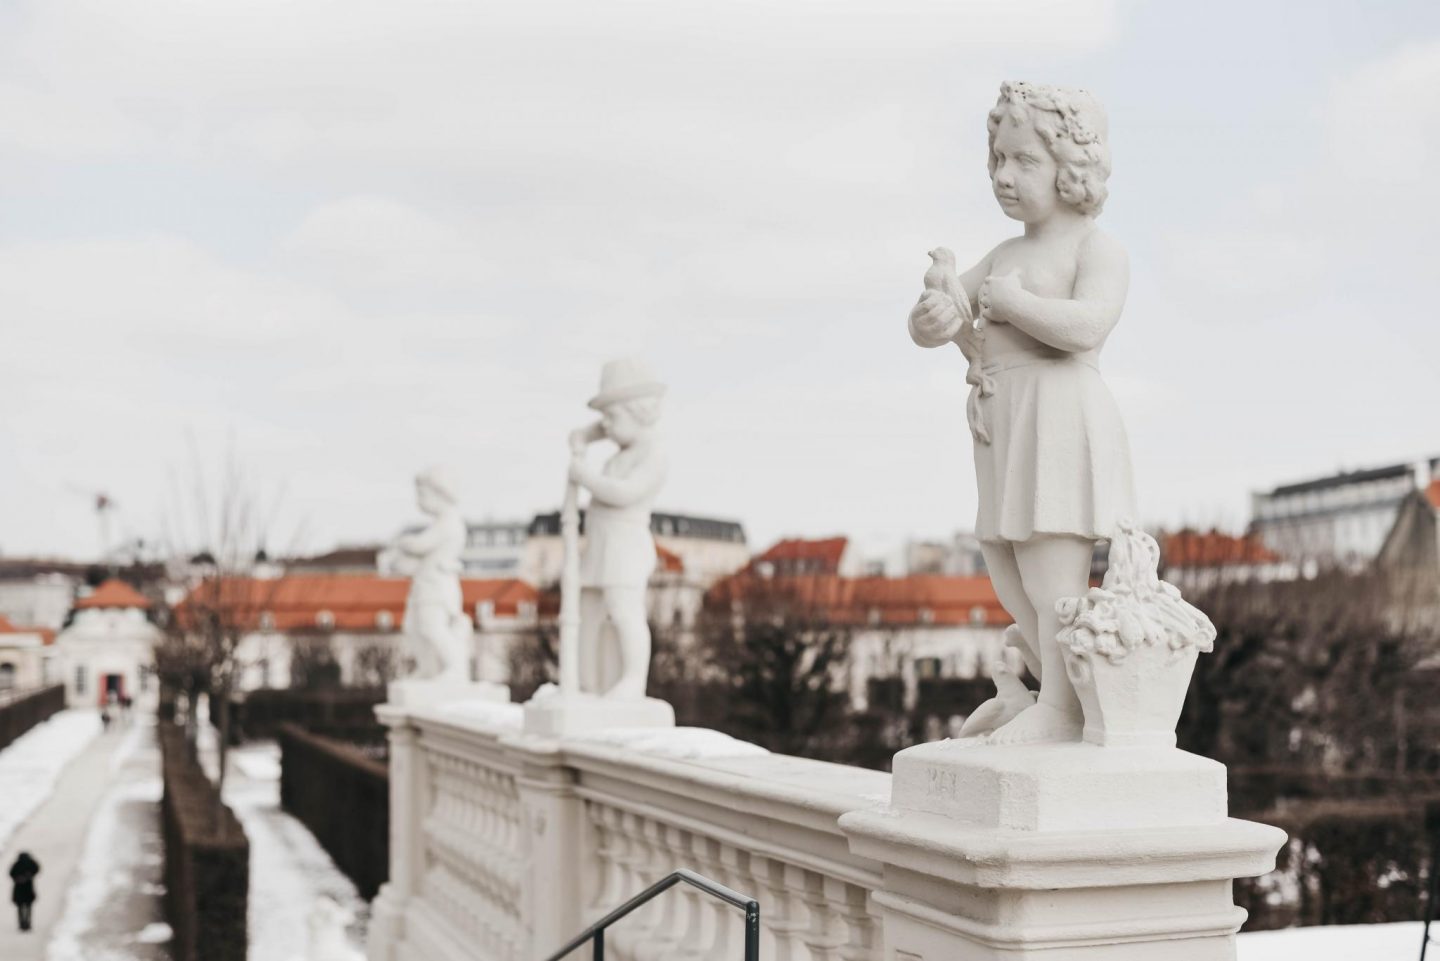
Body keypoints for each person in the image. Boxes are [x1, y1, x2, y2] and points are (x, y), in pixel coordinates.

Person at [907, 81, 1136, 745]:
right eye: (997, 161)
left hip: (1059, 423)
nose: (1004, 177)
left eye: (1023, 162)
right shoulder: (1005, 257)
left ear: (1073, 168)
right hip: (1004, 429)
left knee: (1052, 579)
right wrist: (935, 314)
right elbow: (945, 315)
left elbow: (1089, 326)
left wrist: (1013, 304)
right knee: (1009, 576)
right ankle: (1053, 697)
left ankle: (1062, 712)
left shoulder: (1097, 250)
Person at [567, 358, 668, 699]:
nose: (605, 426)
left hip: (625, 547)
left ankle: (632, 680)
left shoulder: (653, 452)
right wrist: (586, 435)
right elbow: (616, 427)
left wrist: (585, 477)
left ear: (639, 412)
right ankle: (585, 682)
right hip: (601, 545)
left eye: (612, 417)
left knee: (625, 611)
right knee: (587, 612)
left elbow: (625, 493)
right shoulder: (623, 450)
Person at [9, 851, 39, 931]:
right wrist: (29, 876)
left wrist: (18, 878)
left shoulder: (17, 864)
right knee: (28, 908)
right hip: (27, 890)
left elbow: (11, 873)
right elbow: (37, 868)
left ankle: (22, 924)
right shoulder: (29, 864)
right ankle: (27, 924)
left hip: (20, 891)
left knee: (21, 909)